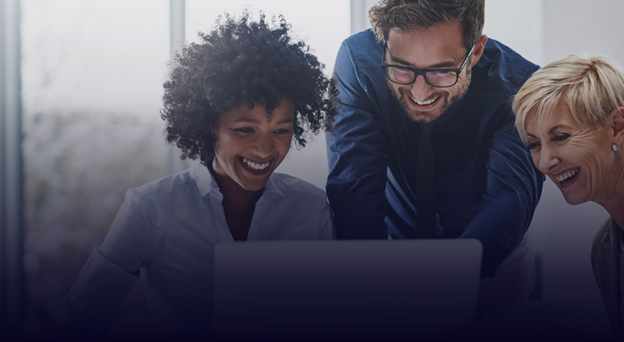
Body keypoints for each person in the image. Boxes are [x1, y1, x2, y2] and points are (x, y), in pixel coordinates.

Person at [54, 12, 336, 340]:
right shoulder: (150, 208)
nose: (264, 148)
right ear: (208, 124)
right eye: (245, 129)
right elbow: (82, 318)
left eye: (281, 130)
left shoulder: (311, 209)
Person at [325, 0, 544, 315]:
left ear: (477, 51)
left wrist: (448, 279)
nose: (420, 93)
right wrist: (367, 279)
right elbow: (354, 187)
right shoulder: (357, 63)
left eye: (441, 71)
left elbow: (511, 196)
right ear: (383, 43)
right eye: (402, 67)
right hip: (387, 251)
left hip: (493, 258)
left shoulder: (522, 86)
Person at [513, 53, 624, 340]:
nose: (545, 162)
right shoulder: (604, 248)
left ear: (617, 126)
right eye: (535, 144)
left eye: (560, 137)